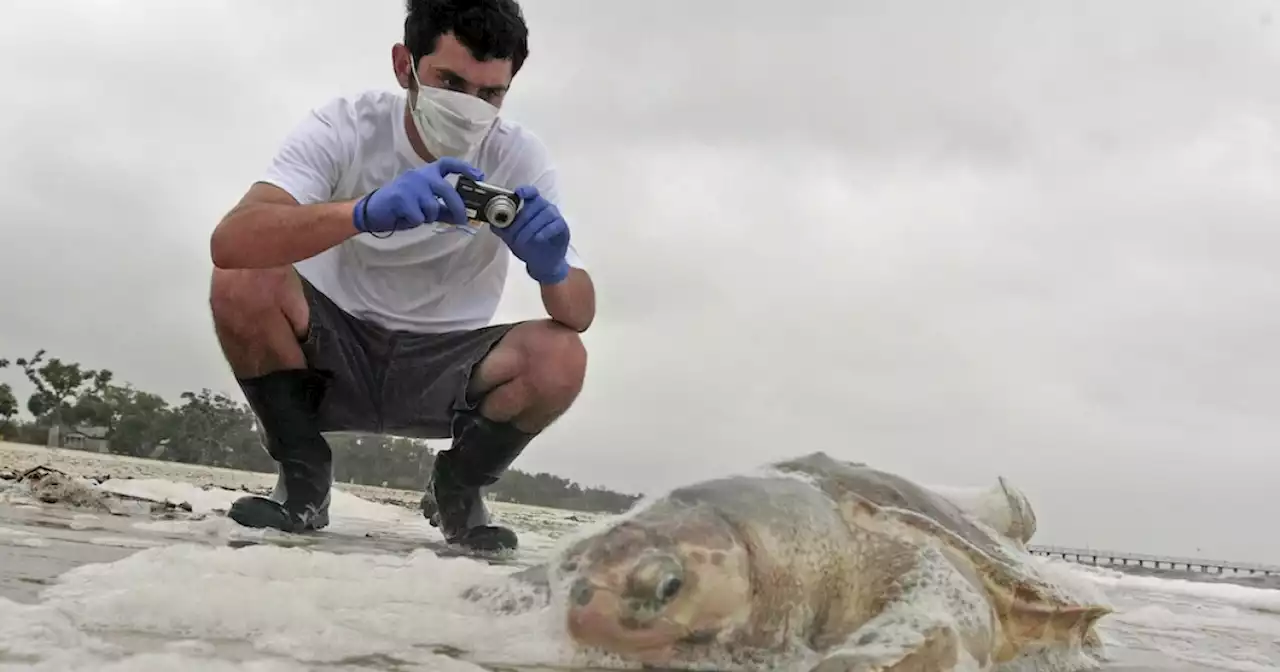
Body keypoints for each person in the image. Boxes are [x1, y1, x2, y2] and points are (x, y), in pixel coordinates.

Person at [206, 0, 594, 552]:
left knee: (561, 354)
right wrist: (360, 212)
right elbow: (231, 241)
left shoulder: (520, 157)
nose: (469, 107)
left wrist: (552, 264)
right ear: (403, 65)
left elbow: (577, 313)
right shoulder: (346, 125)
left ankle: (458, 488)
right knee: (243, 279)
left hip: (444, 369)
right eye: (450, 82)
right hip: (329, 350)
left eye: (491, 94)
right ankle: (303, 481)